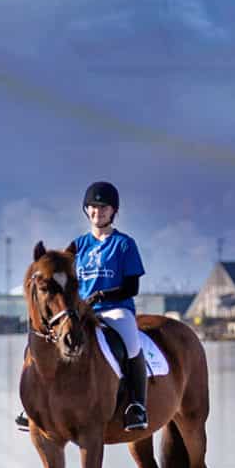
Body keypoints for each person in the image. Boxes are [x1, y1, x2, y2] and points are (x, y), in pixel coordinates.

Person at [17, 180, 149, 433]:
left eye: (103, 207)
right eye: (93, 207)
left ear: (113, 211)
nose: (98, 212)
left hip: (115, 308)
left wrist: (100, 295)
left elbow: (132, 287)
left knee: (131, 344)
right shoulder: (77, 246)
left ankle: (136, 405)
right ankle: (31, 405)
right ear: (86, 210)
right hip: (78, 309)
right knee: (38, 341)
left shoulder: (124, 244)